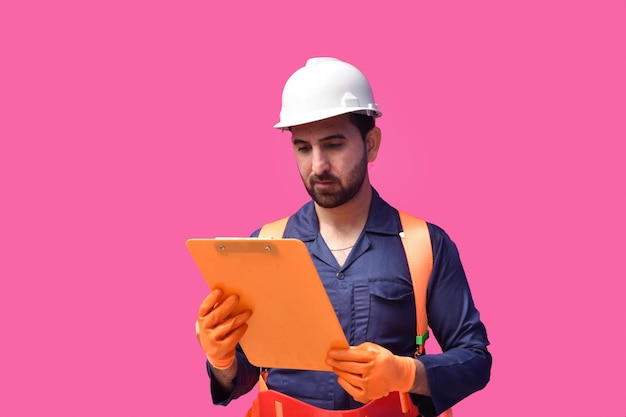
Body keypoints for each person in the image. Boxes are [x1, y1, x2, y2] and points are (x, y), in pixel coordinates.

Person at [195, 57, 491, 417]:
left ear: (371, 143)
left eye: (334, 145)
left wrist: (406, 373)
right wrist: (221, 359)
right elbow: (245, 372)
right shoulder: (264, 245)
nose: (317, 165)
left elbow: (476, 360)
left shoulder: (425, 245)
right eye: (303, 147)